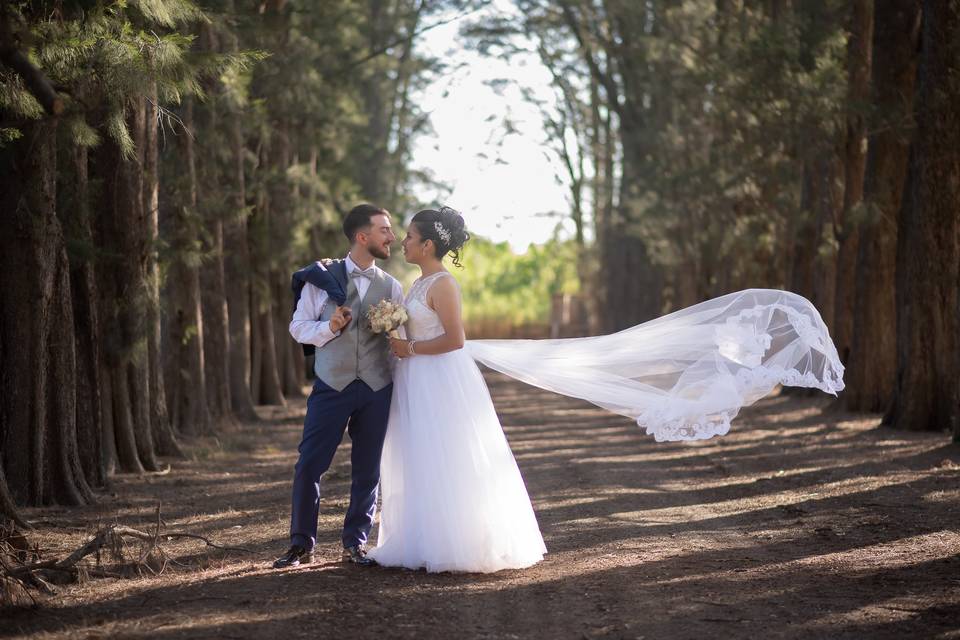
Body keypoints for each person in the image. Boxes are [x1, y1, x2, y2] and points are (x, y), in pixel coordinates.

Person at [366, 206, 547, 573]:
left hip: (439, 379)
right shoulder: (416, 283)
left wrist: (411, 349)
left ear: (428, 244)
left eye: (411, 237)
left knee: (444, 453)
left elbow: (456, 339)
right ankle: (418, 538)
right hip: (414, 378)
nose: (404, 241)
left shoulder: (444, 284)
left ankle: (455, 542)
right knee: (418, 454)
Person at [273, 203, 403, 569]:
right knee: (310, 464)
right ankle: (301, 544)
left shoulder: (391, 285)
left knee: (368, 469)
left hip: (377, 387)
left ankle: (355, 543)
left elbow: (398, 342)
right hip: (332, 385)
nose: (391, 236)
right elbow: (297, 327)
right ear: (362, 237)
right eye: (384, 230)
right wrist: (329, 328)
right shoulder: (321, 278)